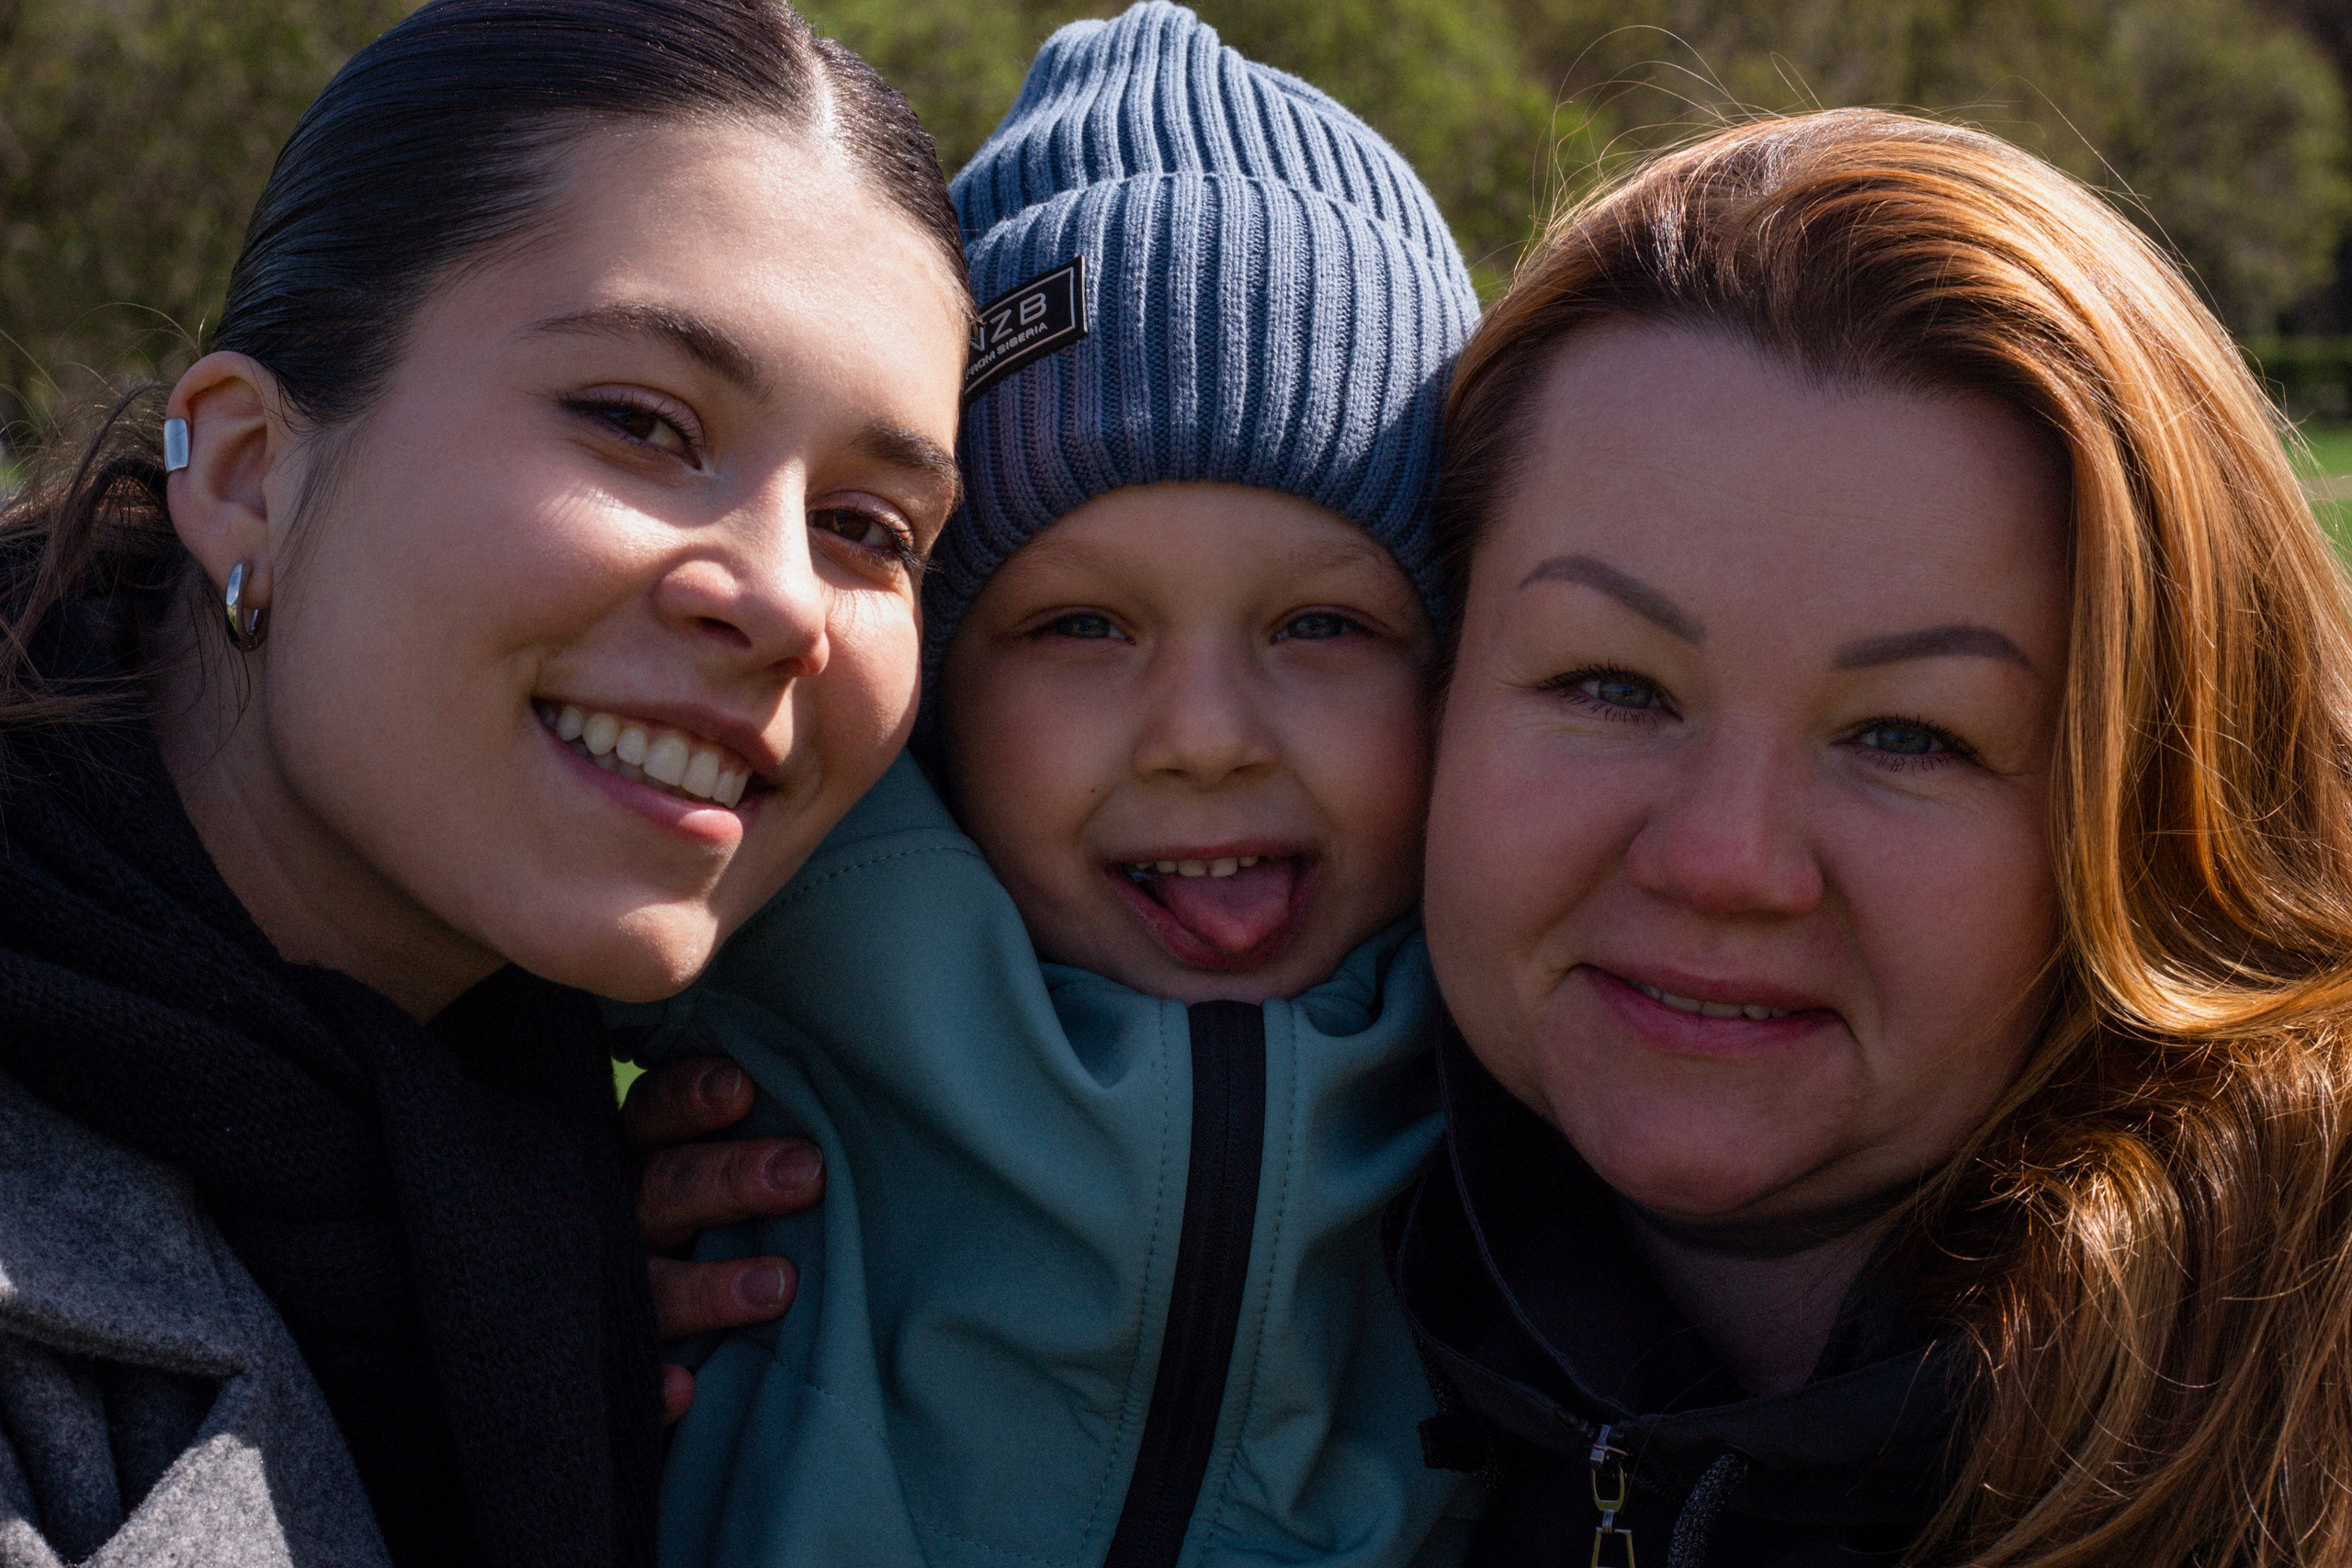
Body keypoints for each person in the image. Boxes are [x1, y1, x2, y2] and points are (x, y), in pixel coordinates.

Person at [0, 1, 969, 1563]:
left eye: (873, 527)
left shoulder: (568, 1229)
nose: (789, 600)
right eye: (642, 423)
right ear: (246, 470)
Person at [1391, 107, 2352, 1566]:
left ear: (2164, 817)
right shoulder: (1156, 1315)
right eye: (1612, 684)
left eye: (1911, 735)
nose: (1724, 861)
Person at [639, 7, 1481, 1565]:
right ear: (936, 682)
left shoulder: (1531, 1043)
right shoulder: (779, 891)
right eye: (1079, 626)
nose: (1206, 734)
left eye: (1327, 625)